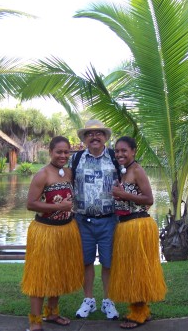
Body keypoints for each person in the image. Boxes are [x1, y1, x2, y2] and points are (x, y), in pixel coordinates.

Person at [21, 136, 84, 331]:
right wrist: (58, 205)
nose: (63, 155)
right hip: (45, 231)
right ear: (50, 152)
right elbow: (31, 204)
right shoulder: (42, 175)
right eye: (59, 152)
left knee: (57, 273)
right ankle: (35, 321)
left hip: (66, 230)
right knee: (39, 276)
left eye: (66, 152)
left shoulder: (69, 173)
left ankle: (52, 313)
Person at [110, 136, 167, 329]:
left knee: (137, 269)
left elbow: (149, 199)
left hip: (138, 225)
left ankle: (138, 313)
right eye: (117, 151)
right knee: (132, 268)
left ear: (133, 151)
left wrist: (124, 194)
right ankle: (141, 309)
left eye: (124, 150)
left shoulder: (137, 170)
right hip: (127, 225)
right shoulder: (124, 171)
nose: (120, 154)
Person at [70, 119, 120, 320]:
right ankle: (89, 300)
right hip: (83, 221)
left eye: (99, 133)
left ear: (105, 137)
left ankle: (108, 301)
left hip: (110, 220)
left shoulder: (116, 157)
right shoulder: (77, 159)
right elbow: (66, 181)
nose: (94, 137)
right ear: (84, 139)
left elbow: (130, 181)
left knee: (109, 263)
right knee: (86, 262)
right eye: (90, 134)